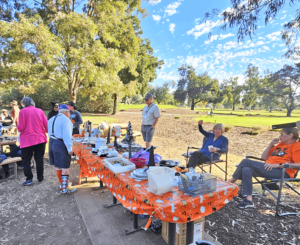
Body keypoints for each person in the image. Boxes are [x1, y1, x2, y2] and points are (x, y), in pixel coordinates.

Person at [230, 127, 300, 209]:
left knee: (245, 162)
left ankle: (230, 184)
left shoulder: (297, 146)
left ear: (290, 135)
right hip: (268, 168)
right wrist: (271, 144)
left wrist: (278, 165)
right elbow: (263, 157)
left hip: (283, 171)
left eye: (282, 134)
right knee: (246, 169)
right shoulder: (280, 145)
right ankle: (248, 200)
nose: (280, 136)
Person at [17, 97, 48, 186]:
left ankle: (29, 178)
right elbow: (46, 125)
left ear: (24, 103)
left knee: (26, 160)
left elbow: (21, 127)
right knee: (39, 159)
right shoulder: (40, 111)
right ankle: (40, 178)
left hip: (27, 140)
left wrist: (18, 127)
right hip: (40, 139)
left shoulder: (22, 112)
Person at [48, 104, 77, 195]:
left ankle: (62, 185)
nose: (69, 114)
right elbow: (67, 136)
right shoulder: (66, 120)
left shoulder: (51, 119)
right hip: (61, 144)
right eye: (69, 112)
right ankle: (64, 189)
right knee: (65, 167)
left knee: (58, 166)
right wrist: (70, 148)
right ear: (66, 112)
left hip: (52, 142)